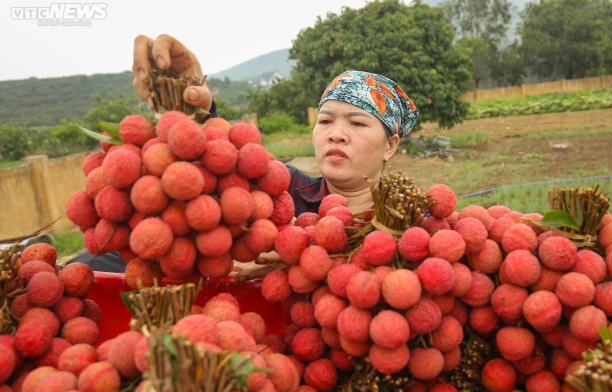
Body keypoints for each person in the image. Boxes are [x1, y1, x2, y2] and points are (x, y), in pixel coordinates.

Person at [71, 34, 419, 278]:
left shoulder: (413, 224)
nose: (336, 132)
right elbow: (225, 170)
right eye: (325, 120)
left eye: (357, 123)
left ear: (390, 144)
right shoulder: (279, 191)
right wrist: (193, 113)